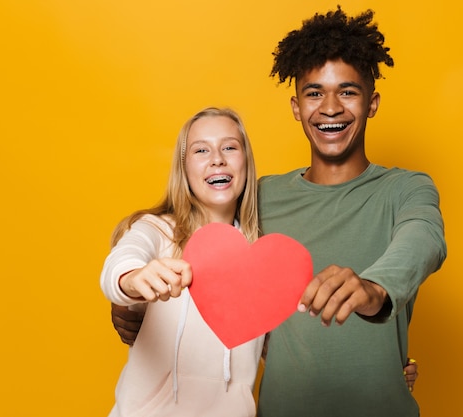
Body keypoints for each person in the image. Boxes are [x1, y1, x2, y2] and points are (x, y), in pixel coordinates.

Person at [112, 6, 444, 415]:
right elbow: (194, 244)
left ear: (371, 103)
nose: (331, 107)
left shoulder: (404, 189)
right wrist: (133, 303)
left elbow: (423, 240)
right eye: (314, 93)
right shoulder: (257, 199)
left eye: (348, 91)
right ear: (296, 107)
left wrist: (375, 289)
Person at [100, 107, 264, 417]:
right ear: (184, 167)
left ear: (246, 162)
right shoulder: (156, 231)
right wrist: (133, 279)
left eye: (229, 147)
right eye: (201, 150)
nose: (217, 158)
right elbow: (121, 263)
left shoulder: (260, 257)